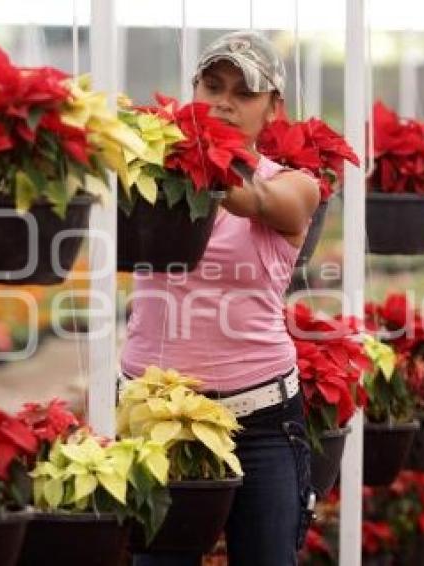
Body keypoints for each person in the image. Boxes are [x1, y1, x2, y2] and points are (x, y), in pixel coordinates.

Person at [120, 30, 320, 566]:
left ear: (273, 109)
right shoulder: (152, 173)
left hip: (259, 420)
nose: (225, 102)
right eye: (213, 87)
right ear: (195, 91)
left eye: (244, 92)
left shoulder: (295, 185)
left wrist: (195, 160)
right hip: (155, 415)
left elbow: (259, 200)